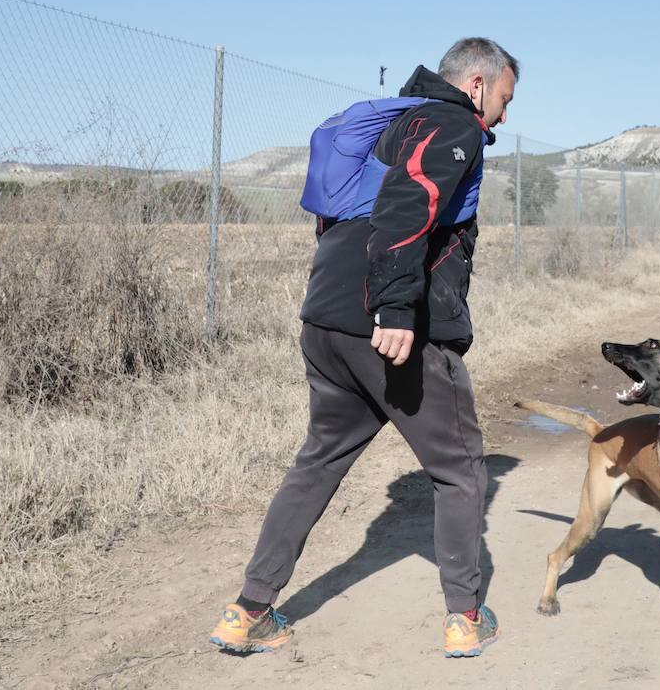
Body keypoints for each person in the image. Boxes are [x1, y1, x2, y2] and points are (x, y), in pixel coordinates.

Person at [208, 37, 518, 659]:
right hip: (389, 326)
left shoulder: (393, 122)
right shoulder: (451, 122)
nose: (505, 117)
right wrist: (397, 306)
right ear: (478, 83)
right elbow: (411, 202)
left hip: (326, 316)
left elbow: (342, 214)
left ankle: (248, 612)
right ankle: (465, 616)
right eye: (505, 99)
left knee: (319, 459)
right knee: (459, 469)